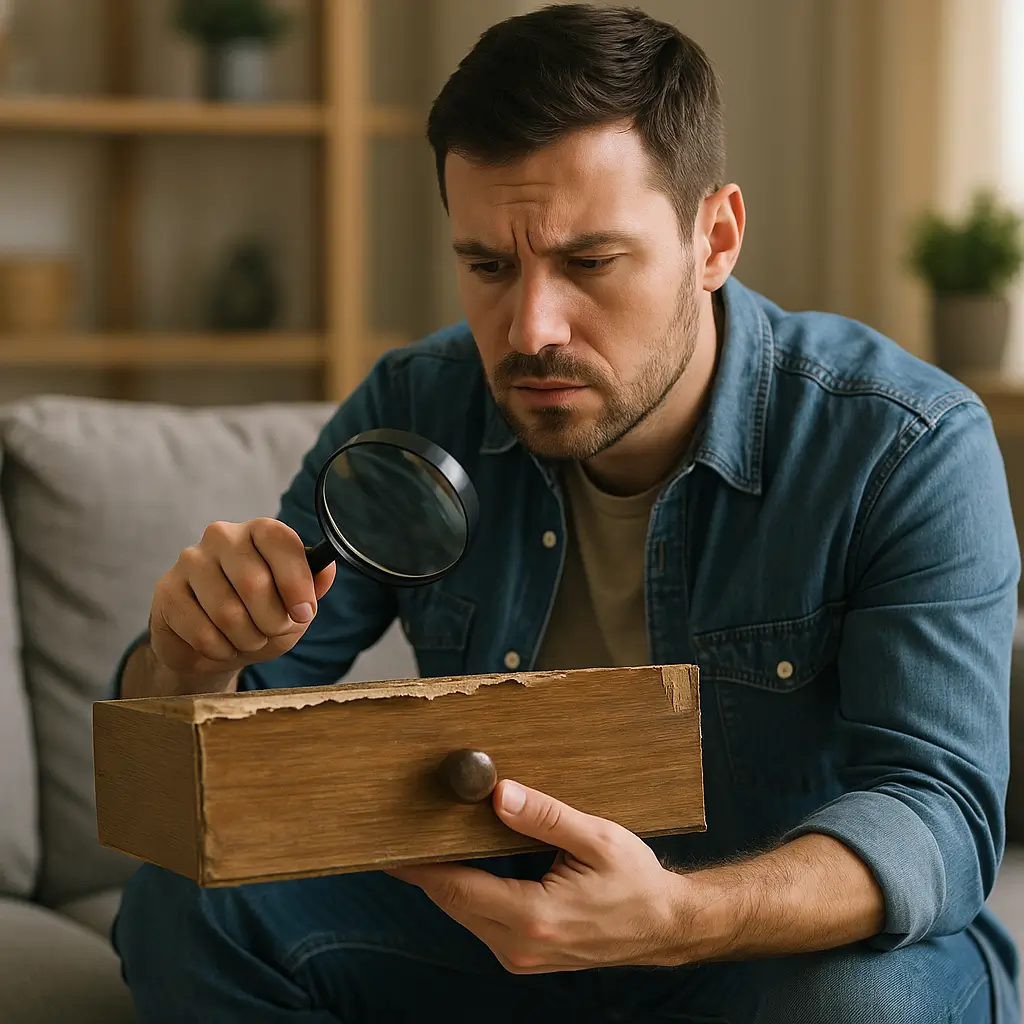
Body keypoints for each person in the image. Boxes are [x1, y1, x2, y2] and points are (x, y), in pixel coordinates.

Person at [110, 5, 1021, 1022]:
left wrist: (675, 916)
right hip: (505, 928)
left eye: (589, 264)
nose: (530, 329)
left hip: (767, 938)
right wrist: (190, 661)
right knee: (184, 906)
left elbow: (934, 813)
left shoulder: (903, 441)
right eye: (488, 266)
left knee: (862, 1008)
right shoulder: (417, 405)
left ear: (713, 237)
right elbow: (236, 728)